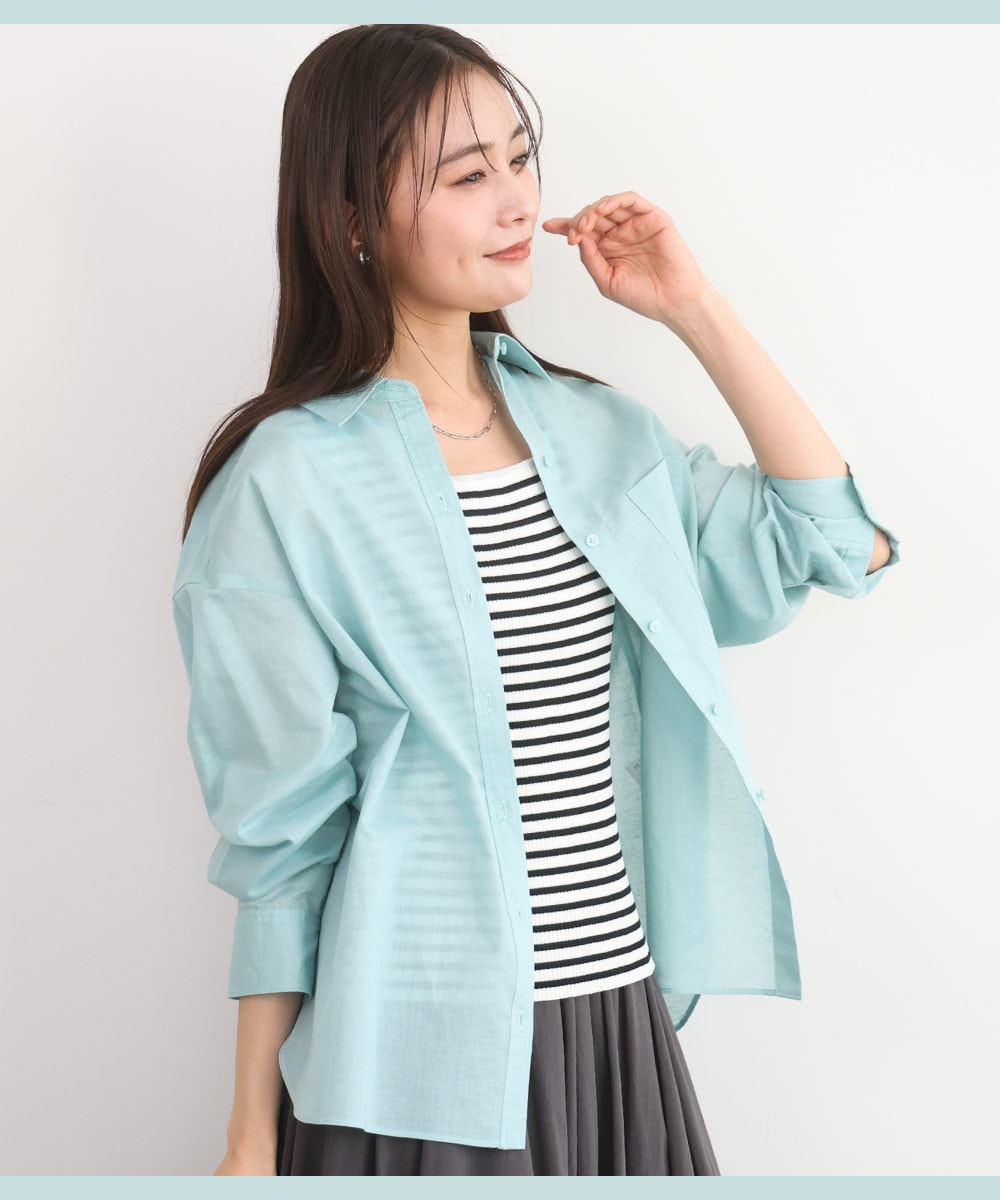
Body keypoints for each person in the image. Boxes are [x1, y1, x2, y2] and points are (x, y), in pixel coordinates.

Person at [171, 23, 901, 1177]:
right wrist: (248, 1137)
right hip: (415, 1062)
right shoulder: (286, 482)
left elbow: (835, 543)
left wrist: (693, 308)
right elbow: (281, 842)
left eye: (520, 159)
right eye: (467, 175)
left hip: (615, 1030)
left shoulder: (601, 435)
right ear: (351, 218)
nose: (517, 200)